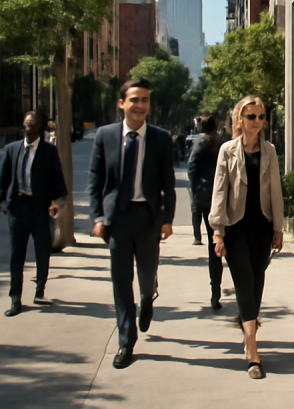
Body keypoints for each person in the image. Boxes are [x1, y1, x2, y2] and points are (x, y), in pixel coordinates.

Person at [88, 78, 176, 370]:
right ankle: (126, 341)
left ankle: (148, 297)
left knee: (146, 275)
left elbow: (169, 184)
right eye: (135, 100)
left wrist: (167, 220)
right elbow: (96, 180)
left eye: (145, 100)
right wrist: (98, 217)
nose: (140, 106)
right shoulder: (105, 135)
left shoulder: (161, 138)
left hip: (149, 218)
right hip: (119, 219)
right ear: (122, 103)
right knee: (121, 280)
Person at [209, 95, 284, 380]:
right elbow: (219, 192)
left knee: (257, 282)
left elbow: (275, 190)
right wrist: (218, 232)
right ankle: (252, 349)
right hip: (236, 227)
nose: (256, 122)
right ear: (240, 120)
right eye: (251, 116)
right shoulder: (227, 151)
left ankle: (247, 328)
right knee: (243, 281)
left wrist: (278, 228)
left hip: (262, 227)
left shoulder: (269, 151)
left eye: (261, 117)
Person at [0, 111, 67, 317]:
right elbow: (3, 178)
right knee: (17, 254)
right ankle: (15, 299)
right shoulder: (11, 150)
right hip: (18, 208)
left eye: (32, 125)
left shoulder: (49, 152)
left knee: (43, 251)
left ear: (40, 129)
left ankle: (40, 289)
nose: (28, 128)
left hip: (40, 209)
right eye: (26, 124)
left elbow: (58, 181)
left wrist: (57, 203)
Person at [187, 114, 224, 309]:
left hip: (203, 196)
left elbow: (191, 167)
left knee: (212, 244)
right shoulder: (221, 144)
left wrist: (195, 190)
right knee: (215, 246)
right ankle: (215, 292)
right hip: (217, 199)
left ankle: (215, 292)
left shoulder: (200, 144)